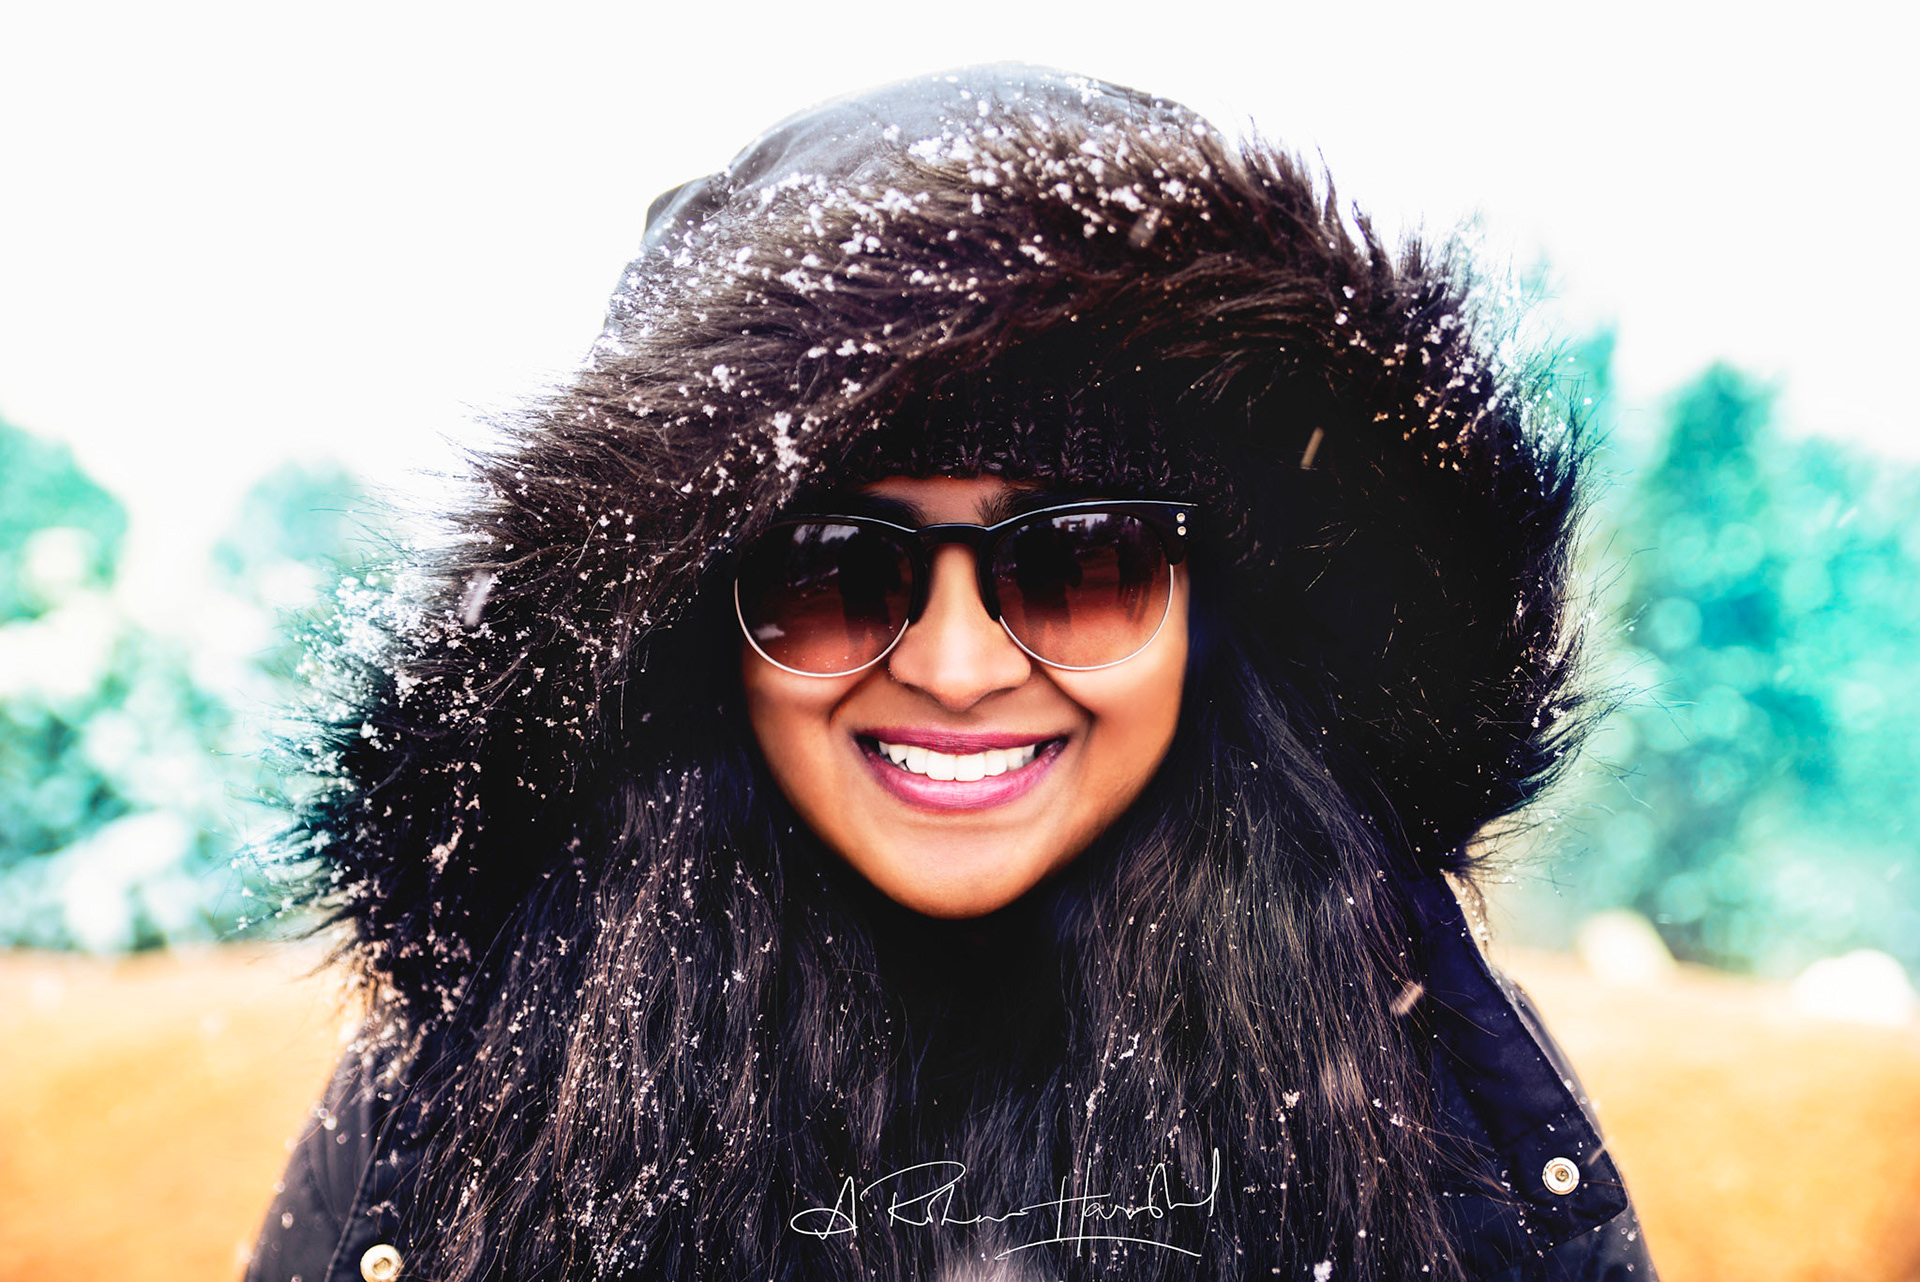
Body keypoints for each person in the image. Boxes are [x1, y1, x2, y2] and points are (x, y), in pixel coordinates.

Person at [247, 65, 1656, 1282]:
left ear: (1217, 615)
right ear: (694, 626)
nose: (961, 666)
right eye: (830, 571)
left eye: (1083, 560)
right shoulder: (477, 1097)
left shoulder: (1436, 1087)